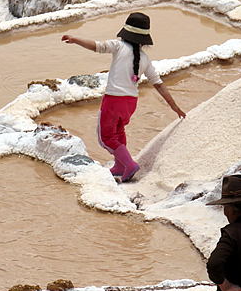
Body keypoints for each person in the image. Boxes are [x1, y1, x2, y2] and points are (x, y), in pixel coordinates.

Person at [61, 12, 186, 182]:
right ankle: (119, 166)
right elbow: (158, 84)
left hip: (113, 100)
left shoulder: (118, 46)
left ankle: (129, 164)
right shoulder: (145, 59)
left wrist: (75, 39)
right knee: (118, 132)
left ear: (126, 32)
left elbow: (96, 46)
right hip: (130, 103)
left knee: (105, 137)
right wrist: (174, 106)